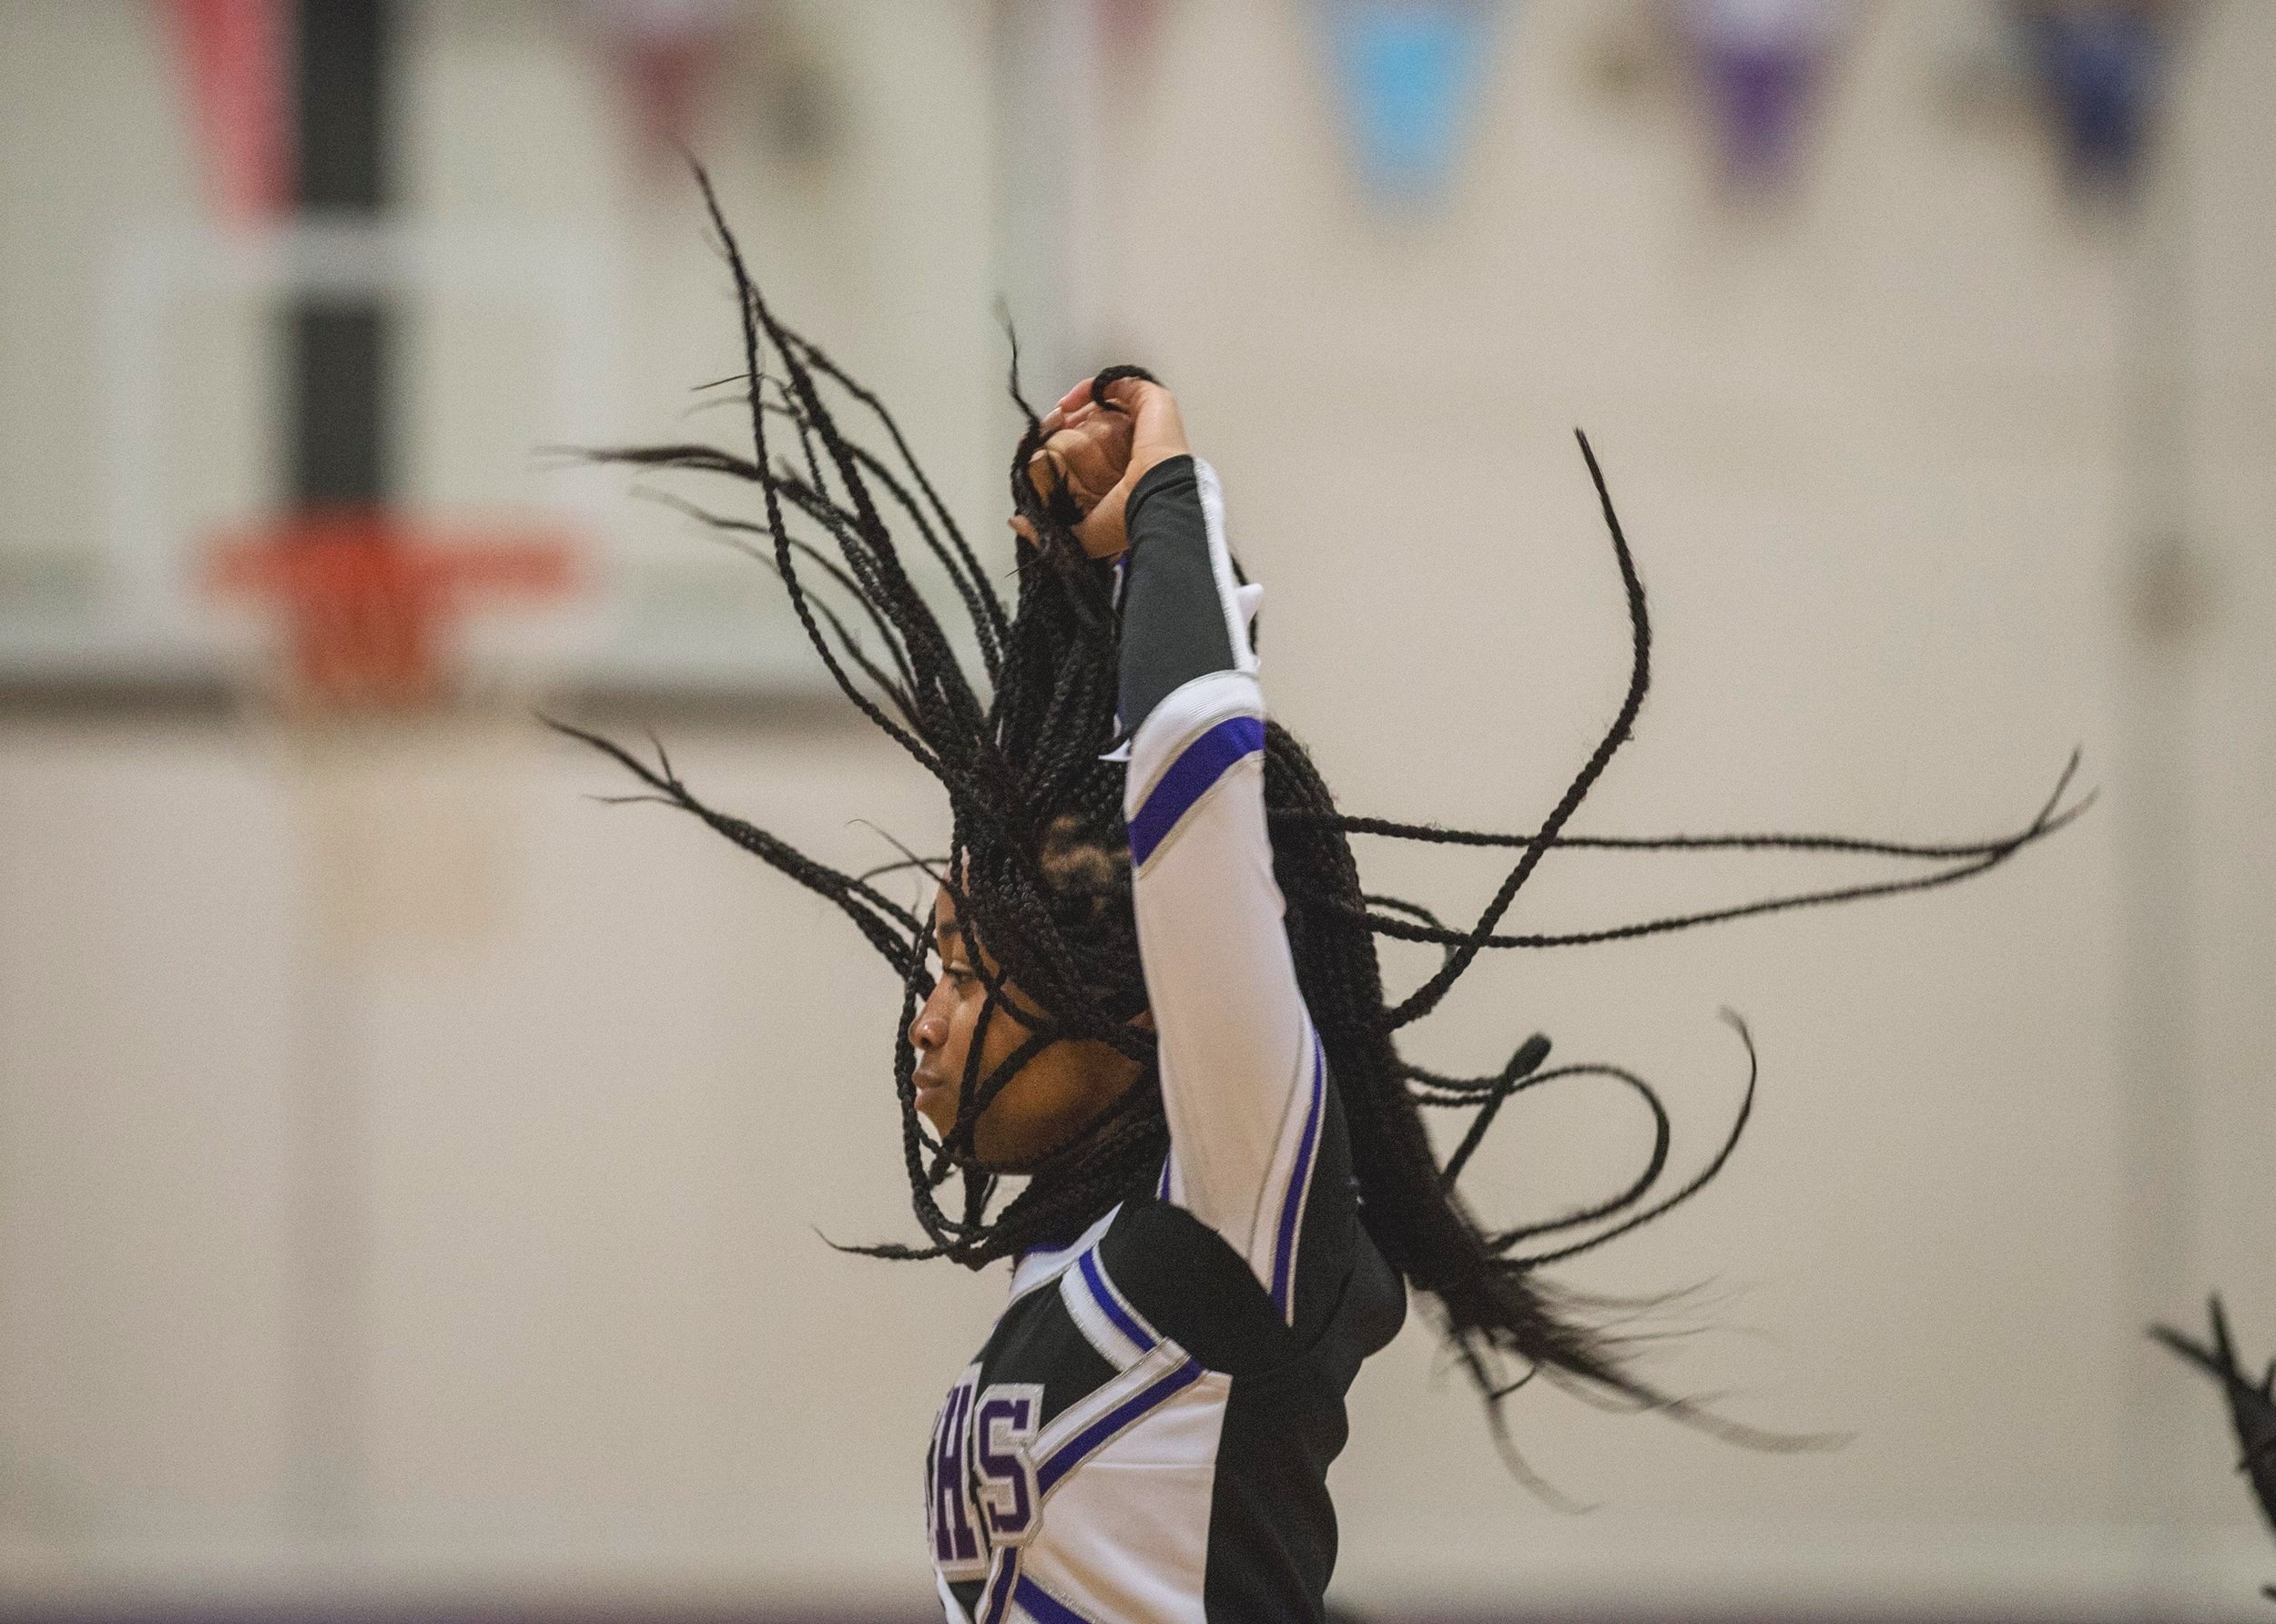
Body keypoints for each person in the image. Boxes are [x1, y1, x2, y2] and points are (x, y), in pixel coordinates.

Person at [554, 176, 2085, 1624]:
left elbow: (1194, 783)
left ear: (1139, 1000)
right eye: (937, 962)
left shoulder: (1245, 1199)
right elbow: (1112, 763)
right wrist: (1063, 592)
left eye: (971, 967)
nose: (927, 1009)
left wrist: (1170, 503)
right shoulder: (1071, 1260)